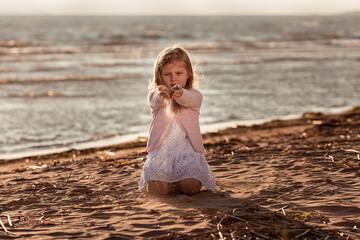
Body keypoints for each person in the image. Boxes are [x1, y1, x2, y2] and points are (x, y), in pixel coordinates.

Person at [139, 45, 216, 196]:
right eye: (167, 74)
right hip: (162, 152)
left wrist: (179, 94)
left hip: (188, 152)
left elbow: (188, 100)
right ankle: (170, 183)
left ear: (188, 74)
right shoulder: (155, 96)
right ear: (159, 76)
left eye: (178, 73)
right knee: (156, 190)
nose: (173, 78)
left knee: (190, 188)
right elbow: (155, 100)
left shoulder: (195, 95)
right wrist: (163, 94)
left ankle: (179, 183)